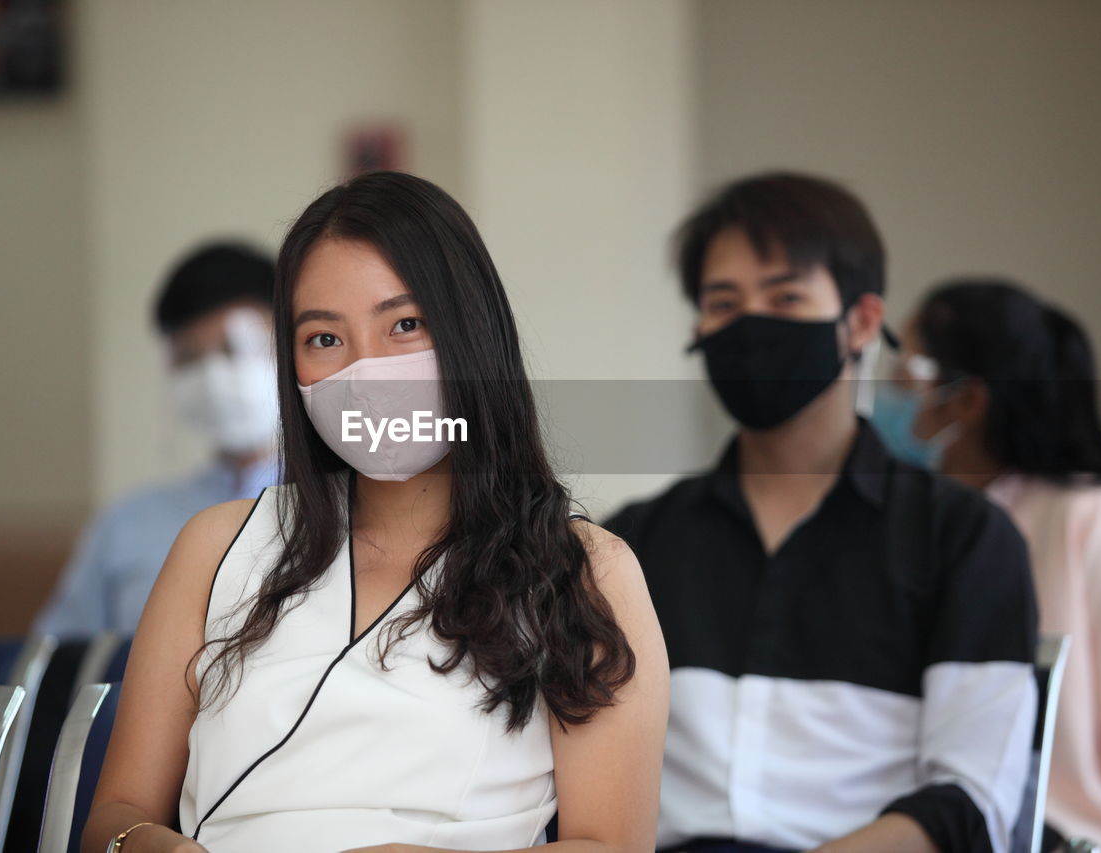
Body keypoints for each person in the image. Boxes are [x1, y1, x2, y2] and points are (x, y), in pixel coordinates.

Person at [83, 172, 670, 853]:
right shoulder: (215, 547)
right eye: (325, 339)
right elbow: (114, 816)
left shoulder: (583, 571)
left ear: (472, 335)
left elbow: (614, 845)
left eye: (405, 325)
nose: (366, 372)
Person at [604, 173, 1038, 853]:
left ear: (863, 321)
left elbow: (973, 798)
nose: (751, 324)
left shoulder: (964, 539)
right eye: (724, 302)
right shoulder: (631, 544)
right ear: (699, 329)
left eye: (786, 296)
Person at [876, 278, 1101, 852]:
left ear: (967, 401)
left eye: (908, 369)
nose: (889, 385)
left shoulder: (1089, 521)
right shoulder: (902, 527)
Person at [34, 242, 281, 637]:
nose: (213, 378)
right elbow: (56, 664)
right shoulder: (127, 523)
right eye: (189, 358)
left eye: (234, 348)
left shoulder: (354, 505)